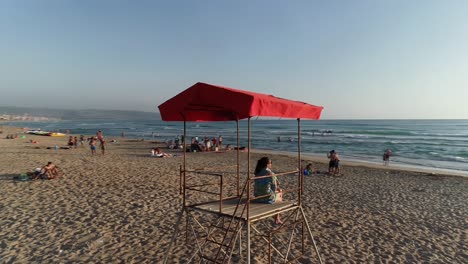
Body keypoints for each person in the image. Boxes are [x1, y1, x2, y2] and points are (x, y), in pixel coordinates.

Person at [253, 157, 282, 224]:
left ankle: (277, 217)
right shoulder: (270, 173)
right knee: (280, 193)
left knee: (273, 191)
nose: (271, 164)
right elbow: (274, 187)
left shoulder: (257, 172)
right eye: (271, 163)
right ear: (267, 164)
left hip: (257, 197)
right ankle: (277, 217)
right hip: (266, 198)